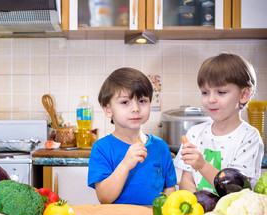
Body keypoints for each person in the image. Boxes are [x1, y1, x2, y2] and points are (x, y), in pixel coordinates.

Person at [174, 53, 264, 193]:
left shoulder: (249, 137)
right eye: (205, 92)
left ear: (243, 95)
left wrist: (202, 165)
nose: (210, 100)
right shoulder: (194, 134)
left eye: (221, 92)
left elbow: (237, 190)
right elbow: (187, 180)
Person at [88, 67, 176, 205]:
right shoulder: (101, 148)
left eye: (142, 101)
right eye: (125, 102)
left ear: (150, 104)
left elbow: (169, 189)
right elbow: (104, 198)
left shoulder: (161, 147)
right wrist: (125, 165)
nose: (136, 108)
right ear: (108, 109)